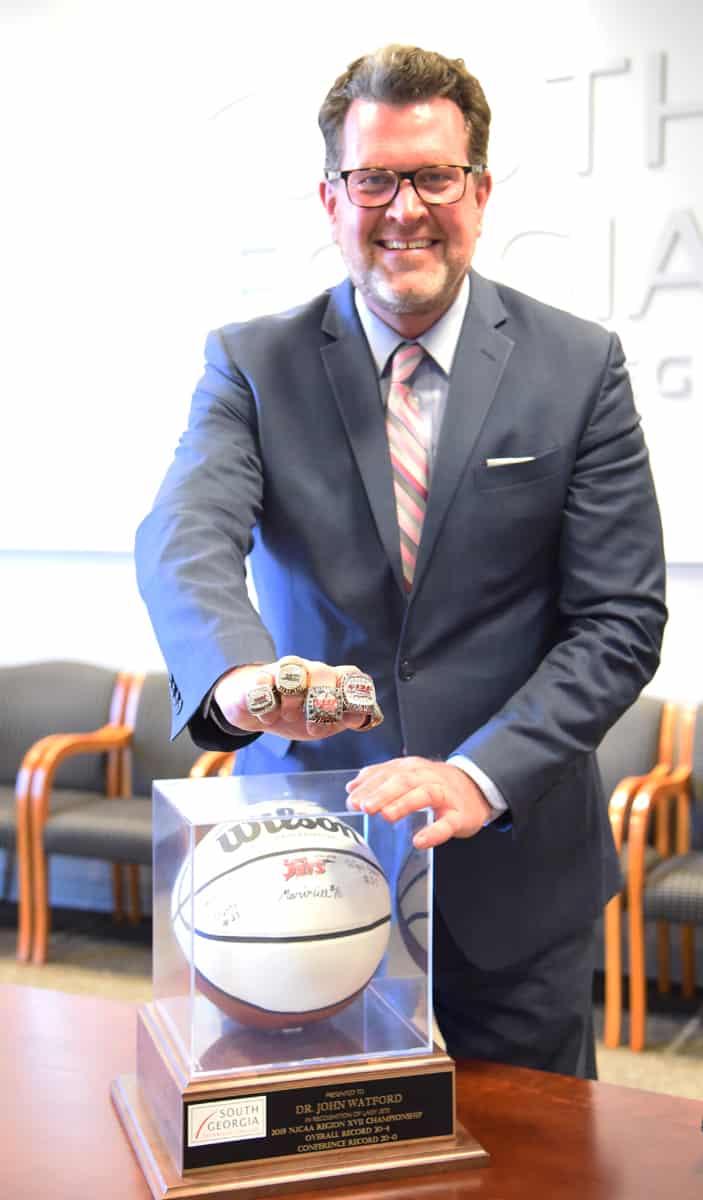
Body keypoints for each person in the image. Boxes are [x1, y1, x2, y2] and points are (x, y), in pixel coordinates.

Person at [135, 44, 667, 1077]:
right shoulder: (251, 363)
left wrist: (481, 771)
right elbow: (184, 533)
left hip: (512, 871)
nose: (404, 208)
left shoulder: (579, 366)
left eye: (433, 176)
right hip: (298, 869)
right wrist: (243, 679)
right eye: (374, 178)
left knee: (534, 1168)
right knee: (309, 1160)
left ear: (479, 189)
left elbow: (618, 620)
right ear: (331, 197)